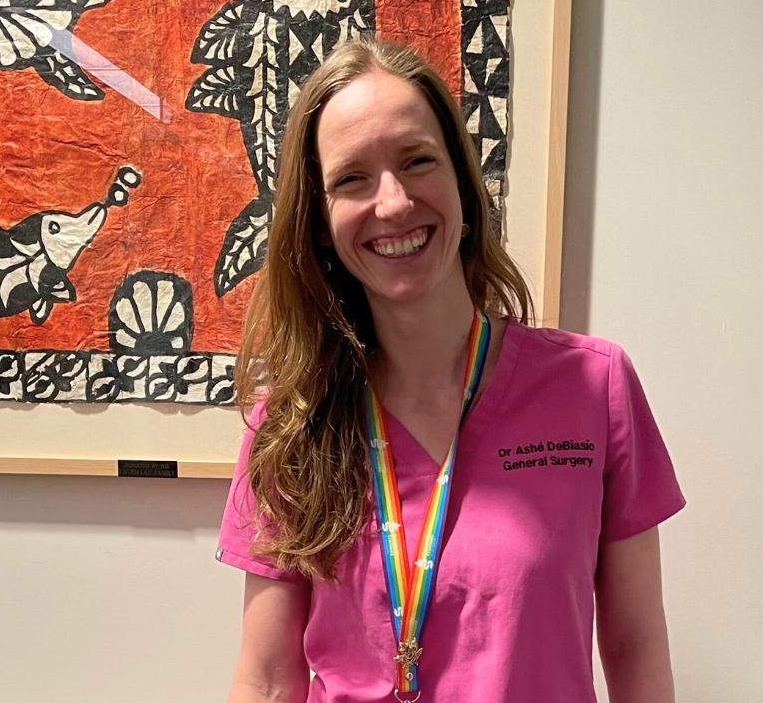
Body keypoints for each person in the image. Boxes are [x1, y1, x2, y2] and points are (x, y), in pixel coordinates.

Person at [216, 38, 686, 703]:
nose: (394, 202)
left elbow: (637, 648)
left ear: (463, 183)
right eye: (352, 178)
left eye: (416, 161)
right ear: (320, 223)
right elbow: (265, 681)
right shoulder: (289, 426)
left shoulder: (594, 387)